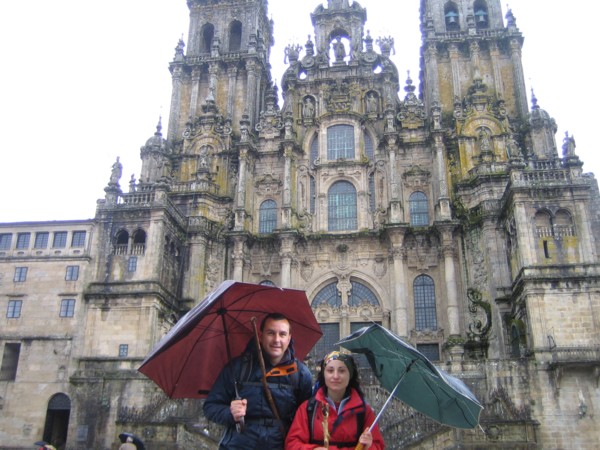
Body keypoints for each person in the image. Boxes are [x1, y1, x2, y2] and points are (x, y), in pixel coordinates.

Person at [204, 312, 313, 449]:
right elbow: (210, 407)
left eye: (282, 334)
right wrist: (230, 413)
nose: (276, 340)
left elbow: (306, 420)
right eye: (271, 333)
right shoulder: (238, 368)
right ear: (260, 336)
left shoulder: (301, 375)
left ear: (289, 337)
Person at [285, 351, 385, 450]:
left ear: (350, 375)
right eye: (330, 371)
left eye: (341, 371)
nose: (335, 376)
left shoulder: (363, 412)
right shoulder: (308, 409)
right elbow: (292, 444)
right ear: (324, 374)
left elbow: (378, 446)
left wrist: (369, 447)